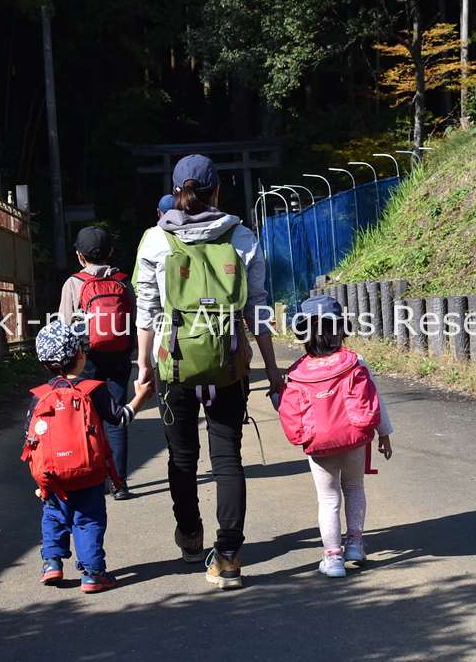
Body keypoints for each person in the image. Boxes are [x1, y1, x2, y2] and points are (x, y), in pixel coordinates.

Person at [134, 154, 284, 590]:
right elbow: (257, 307)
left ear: (177, 192)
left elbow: (146, 311)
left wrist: (143, 368)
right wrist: (272, 369)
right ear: (217, 190)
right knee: (227, 457)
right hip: (228, 361)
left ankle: (190, 537)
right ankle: (231, 556)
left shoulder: (154, 241)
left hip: (174, 362)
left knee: (182, 457)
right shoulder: (241, 236)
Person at [24, 319, 153, 592]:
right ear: (81, 355)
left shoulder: (39, 396)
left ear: (44, 363)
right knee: (88, 520)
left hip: (53, 476)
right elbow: (119, 419)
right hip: (89, 472)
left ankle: (52, 563)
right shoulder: (93, 390)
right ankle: (93, 573)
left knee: (53, 516)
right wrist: (140, 396)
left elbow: (30, 437)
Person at [277, 295, 393, 578]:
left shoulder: (297, 372)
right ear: (340, 328)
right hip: (354, 440)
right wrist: (384, 434)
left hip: (319, 445)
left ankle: (333, 558)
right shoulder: (355, 362)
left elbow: (290, 410)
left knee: (328, 498)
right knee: (354, 488)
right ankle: (354, 544)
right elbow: (374, 399)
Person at [59, 226, 136, 500]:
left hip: (85, 361)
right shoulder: (123, 282)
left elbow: (64, 326)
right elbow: (133, 321)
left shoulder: (73, 283)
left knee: (88, 418)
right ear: (111, 252)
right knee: (116, 418)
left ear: (80, 256)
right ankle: (120, 484)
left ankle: (94, 478)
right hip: (119, 356)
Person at [131, 194, 176, 292]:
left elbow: (140, 263)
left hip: (151, 291)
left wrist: (135, 289)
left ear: (158, 212)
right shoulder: (186, 234)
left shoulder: (150, 234)